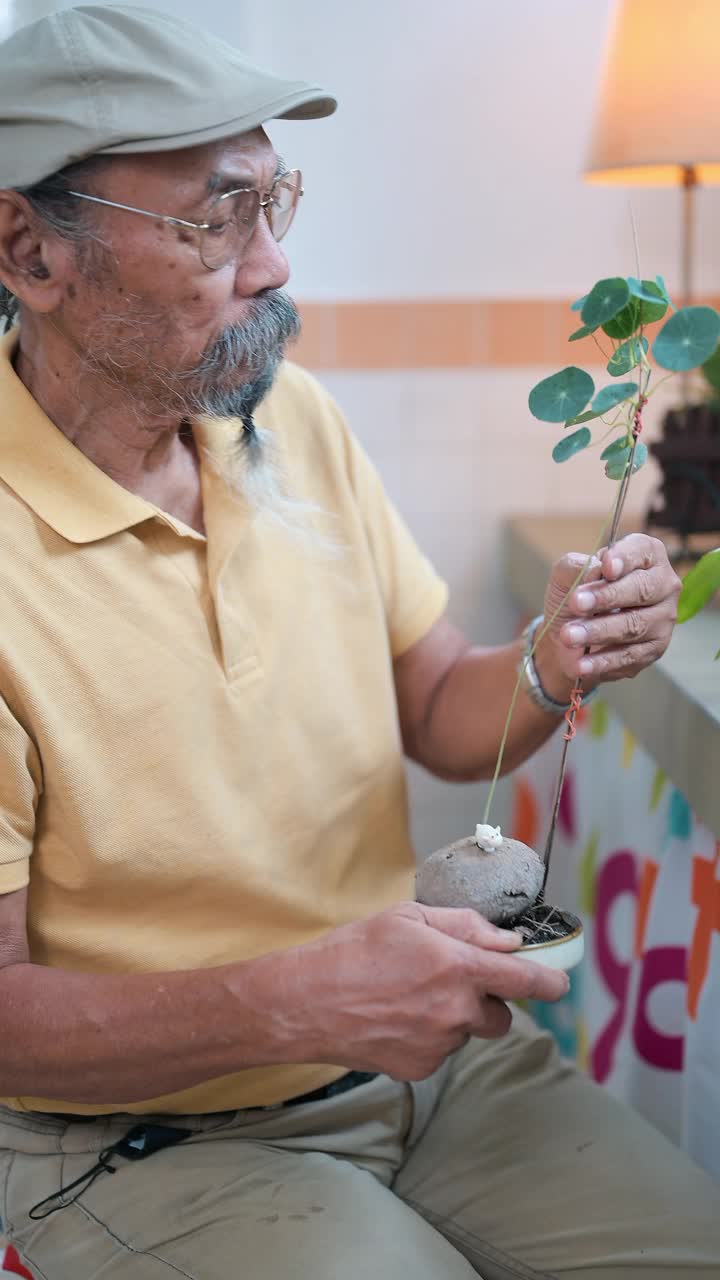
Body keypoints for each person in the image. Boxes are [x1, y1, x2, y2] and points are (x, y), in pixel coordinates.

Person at [0, 6, 717, 1279]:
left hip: (427, 1076)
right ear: (26, 247)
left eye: (279, 200)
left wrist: (557, 658)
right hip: (148, 1136)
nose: (273, 264)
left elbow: (438, 696)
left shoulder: (296, 424)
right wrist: (295, 998)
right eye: (217, 218)